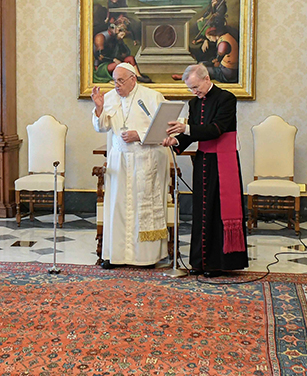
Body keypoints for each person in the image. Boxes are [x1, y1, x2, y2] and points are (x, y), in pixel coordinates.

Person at [163, 63, 248, 275]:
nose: (194, 92)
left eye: (195, 86)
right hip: (203, 161)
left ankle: (218, 263)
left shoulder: (226, 98)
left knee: (219, 210)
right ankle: (199, 262)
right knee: (201, 210)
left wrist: (186, 128)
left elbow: (216, 129)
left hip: (223, 160)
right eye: (190, 88)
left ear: (206, 78)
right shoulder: (194, 103)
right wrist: (175, 140)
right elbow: (191, 134)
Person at [91, 63, 171, 269]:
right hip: (119, 161)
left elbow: (167, 127)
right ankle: (115, 256)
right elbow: (102, 127)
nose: (116, 85)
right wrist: (99, 108)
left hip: (145, 160)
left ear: (133, 79)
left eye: (120, 80)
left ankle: (145, 258)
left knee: (141, 209)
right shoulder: (109, 97)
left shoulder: (152, 97)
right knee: (117, 208)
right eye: (114, 80)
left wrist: (139, 135)